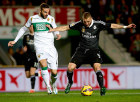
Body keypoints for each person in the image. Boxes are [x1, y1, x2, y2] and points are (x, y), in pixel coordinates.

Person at [47, 12, 136, 96]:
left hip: (94, 51)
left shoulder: (98, 24)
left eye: (88, 21)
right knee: (70, 68)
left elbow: (112, 25)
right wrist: (53, 29)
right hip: (81, 51)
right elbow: (66, 27)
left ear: (91, 19)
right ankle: (70, 82)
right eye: (85, 21)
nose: (86, 23)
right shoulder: (80, 24)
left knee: (97, 68)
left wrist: (125, 27)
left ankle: (102, 87)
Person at [8, 3, 61, 94]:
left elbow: (56, 28)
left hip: (50, 47)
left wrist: (57, 34)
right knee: (44, 66)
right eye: (45, 12)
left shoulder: (51, 19)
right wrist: (15, 41)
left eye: (48, 12)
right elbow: (23, 29)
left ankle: (53, 84)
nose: (46, 14)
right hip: (39, 47)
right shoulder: (33, 19)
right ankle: (48, 87)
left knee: (54, 72)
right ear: (40, 11)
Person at [22, 26, 41, 93]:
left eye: (32, 26)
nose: (31, 28)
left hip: (35, 57)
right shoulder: (26, 36)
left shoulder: (38, 36)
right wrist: (24, 49)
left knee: (32, 73)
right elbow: (24, 46)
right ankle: (38, 74)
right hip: (27, 57)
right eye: (30, 27)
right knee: (27, 75)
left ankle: (32, 89)